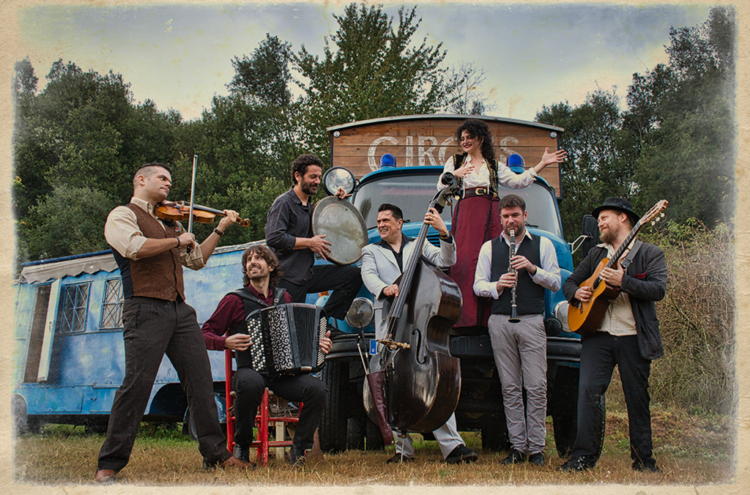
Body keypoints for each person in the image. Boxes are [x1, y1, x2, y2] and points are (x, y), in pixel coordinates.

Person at [96, 162, 251, 483]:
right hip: (144, 308)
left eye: (170, 180)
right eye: (162, 178)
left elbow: (197, 260)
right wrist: (177, 242)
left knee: (200, 379)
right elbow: (134, 247)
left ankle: (216, 454)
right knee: (137, 383)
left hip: (179, 310)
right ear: (141, 180)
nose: (168, 184)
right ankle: (109, 463)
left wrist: (220, 229)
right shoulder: (122, 215)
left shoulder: (171, 222)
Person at [361, 203, 478, 465]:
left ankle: (452, 446)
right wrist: (385, 288)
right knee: (390, 381)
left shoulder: (419, 244)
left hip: (417, 321)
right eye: (378, 221)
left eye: (386, 220)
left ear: (399, 223)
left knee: (434, 380)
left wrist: (444, 233)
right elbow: (368, 275)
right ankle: (403, 450)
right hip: (389, 321)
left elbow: (446, 261)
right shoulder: (371, 251)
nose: (381, 225)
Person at [558, 198, 667, 473]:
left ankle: (644, 461)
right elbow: (569, 283)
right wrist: (577, 293)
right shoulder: (596, 254)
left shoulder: (649, 253)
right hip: (598, 336)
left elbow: (658, 289)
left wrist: (624, 282)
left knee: (637, 399)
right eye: (599, 220)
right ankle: (582, 458)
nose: (600, 224)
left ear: (623, 218)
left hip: (633, 336)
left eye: (605, 218)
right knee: (587, 393)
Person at [202, 245, 331, 467]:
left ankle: (298, 448)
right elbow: (205, 333)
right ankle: (242, 445)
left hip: (283, 375)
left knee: (317, 389)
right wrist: (225, 342)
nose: (252, 262)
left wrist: (319, 344)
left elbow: (298, 335)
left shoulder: (284, 297)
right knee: (250, 383)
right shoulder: (234, 300)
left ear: (271, 266)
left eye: (259, 258)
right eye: (248, 260)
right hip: (250, 370)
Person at [439, 118, 566, 329]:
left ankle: (494, 314)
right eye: (462, 138)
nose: (465, 141)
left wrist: (542, 164)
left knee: (495, 259)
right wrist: (454, 174)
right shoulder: (455, 161)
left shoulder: (493, 165)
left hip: (491, 212)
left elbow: (518, 181)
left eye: (470, 137)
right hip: (467, 212)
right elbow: (441, 186)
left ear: (480, 138)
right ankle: (466, 320)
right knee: (465, 261)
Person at [473, 194, 561, 465]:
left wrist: (533, 269)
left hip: (532, 320)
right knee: (510, 387)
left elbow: (556, 282)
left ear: (525, 216)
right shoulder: (489, 248)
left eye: (515, 215)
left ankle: (537, 449)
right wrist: (498, 285)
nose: (511, 221)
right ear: (500, 219)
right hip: (500, 321)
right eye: (506, 216)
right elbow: (478, 285)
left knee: (536, 386)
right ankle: (517, 446)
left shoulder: (543, 244)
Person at [265, 153, 361, 321]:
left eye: (318, 177)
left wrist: (336, 202)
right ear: (298, 176)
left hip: (306, 274)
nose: (317, 181)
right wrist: (309, 243)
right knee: (293, 328)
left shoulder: (309, 207)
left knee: (353, 275)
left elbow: (326, 223)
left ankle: (322, 321)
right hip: (287, 278)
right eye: (312, 177)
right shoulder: (284, 203)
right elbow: (274, 237)